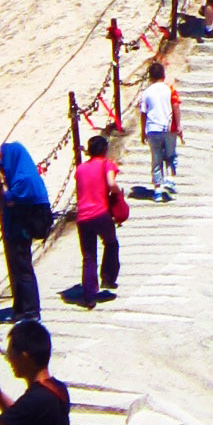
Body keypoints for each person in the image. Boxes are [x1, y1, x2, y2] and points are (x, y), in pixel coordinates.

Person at [0, 138, 53, 320]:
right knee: (17, 266)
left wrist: (1, 183)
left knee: (23, 267)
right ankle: (21, 307)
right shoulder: (22, 173)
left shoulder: (24, 178)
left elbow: (10, 198)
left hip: (23, 228)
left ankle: (31, 310)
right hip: (19, 226)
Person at [72, 131, 121, 307]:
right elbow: (110, 183)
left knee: (88, 256)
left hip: (83, 217)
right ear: (104, 150)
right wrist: (117, 192)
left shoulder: (80, 169)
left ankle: (89, 295)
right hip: (101, 214)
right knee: (111, 243)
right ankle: (108, 278)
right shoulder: (107, 164)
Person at [140, 58, 180, 198]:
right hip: (168, 127)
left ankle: (157, 190)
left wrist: (142, 131)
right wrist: (179, 125)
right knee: (170, 155)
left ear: (150, 76)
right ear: (163, 75)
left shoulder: (146, 92)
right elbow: (175, 106)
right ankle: (169, 178)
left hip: (152, 129)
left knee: (156, 158)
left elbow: (143, 113)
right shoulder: (169, 89)